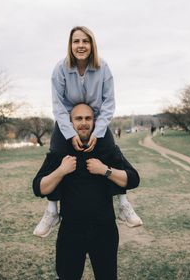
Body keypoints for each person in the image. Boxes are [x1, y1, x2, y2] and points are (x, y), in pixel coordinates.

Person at [33, 26, 142, 237]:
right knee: (56, 154)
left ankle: (123, 204)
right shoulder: (60, 69)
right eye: (76, 41)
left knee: (112, 152)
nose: (81, 45)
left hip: (96, 121)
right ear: (70, 45)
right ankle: (52, 210)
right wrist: (69, 133)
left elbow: (109, 103)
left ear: (92, 45)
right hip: (68, 121)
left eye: (85, 41)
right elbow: (58, 106)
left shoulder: (103, 68)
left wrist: (98, 132)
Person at [33, 104, 140, 280]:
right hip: (71, 232)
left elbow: (133, 179)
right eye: (78, 118)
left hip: (104, 231)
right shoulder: (61, 152)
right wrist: (61, 171)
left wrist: (105, 170)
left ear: (95, 121)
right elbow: (39, 188)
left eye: (88, 118)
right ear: (69, 123)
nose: (84, 123)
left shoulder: (107, 150)